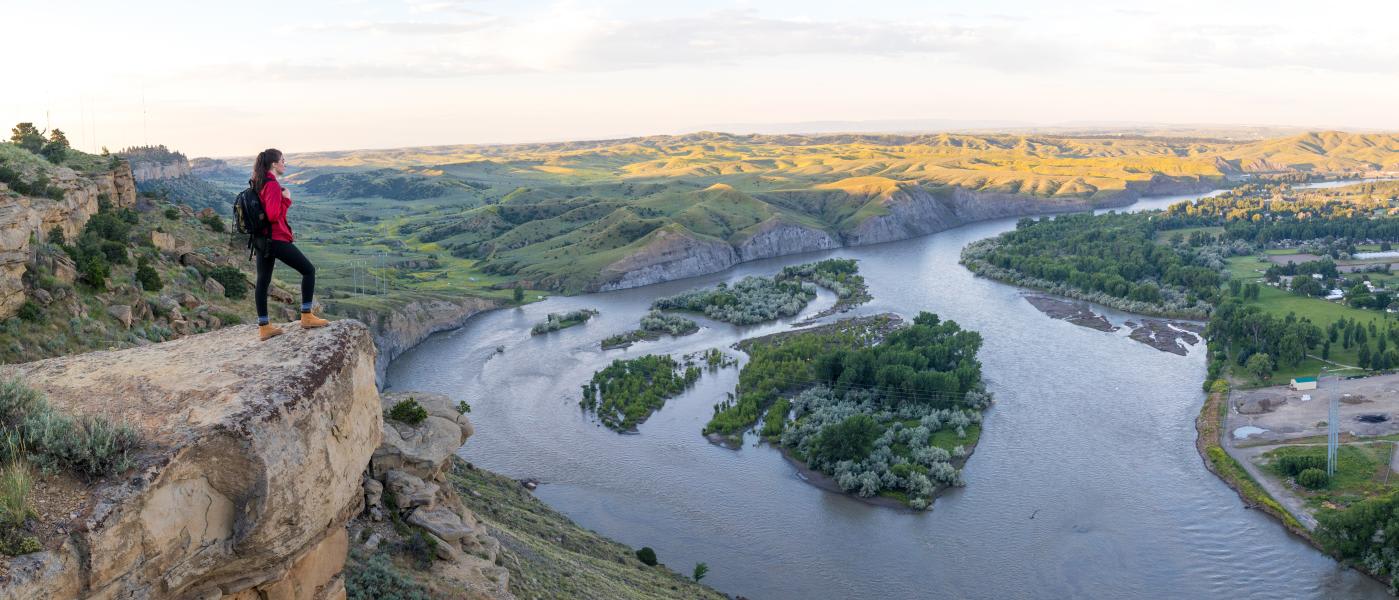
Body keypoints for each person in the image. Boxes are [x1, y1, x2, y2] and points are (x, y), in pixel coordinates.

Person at [250, 148, 329, 340]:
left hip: (261, 239)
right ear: (274, 164)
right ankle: (306, 316)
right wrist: (286, 200)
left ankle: (264, 327)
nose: (285, 164)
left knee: (263, 281)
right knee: (308, 270)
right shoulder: (272, 185)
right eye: (283, 161)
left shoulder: (258, 182)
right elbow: (273, 216)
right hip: (275, 238)